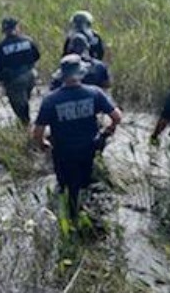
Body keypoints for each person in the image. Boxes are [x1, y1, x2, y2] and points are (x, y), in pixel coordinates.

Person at [33, 54, 123, 217]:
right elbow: (117, 117)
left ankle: (71, 218)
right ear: (81, 73)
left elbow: (38, 132)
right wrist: (108, 131)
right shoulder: (95, 93)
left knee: (66, 187)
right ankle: (86, 214)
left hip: (63, 152)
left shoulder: (50, 100)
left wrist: (43, 144)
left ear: (62, 75)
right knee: (84, 183)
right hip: (88, 149)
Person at [0, 17, 40, 125]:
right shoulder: (28, 41)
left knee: (20, 110)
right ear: (17, 27)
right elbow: (37, 56)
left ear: (4, 31)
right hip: (30, 76)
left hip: (14, 81)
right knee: (25, 101)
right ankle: (28, 125)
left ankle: (27, 128)